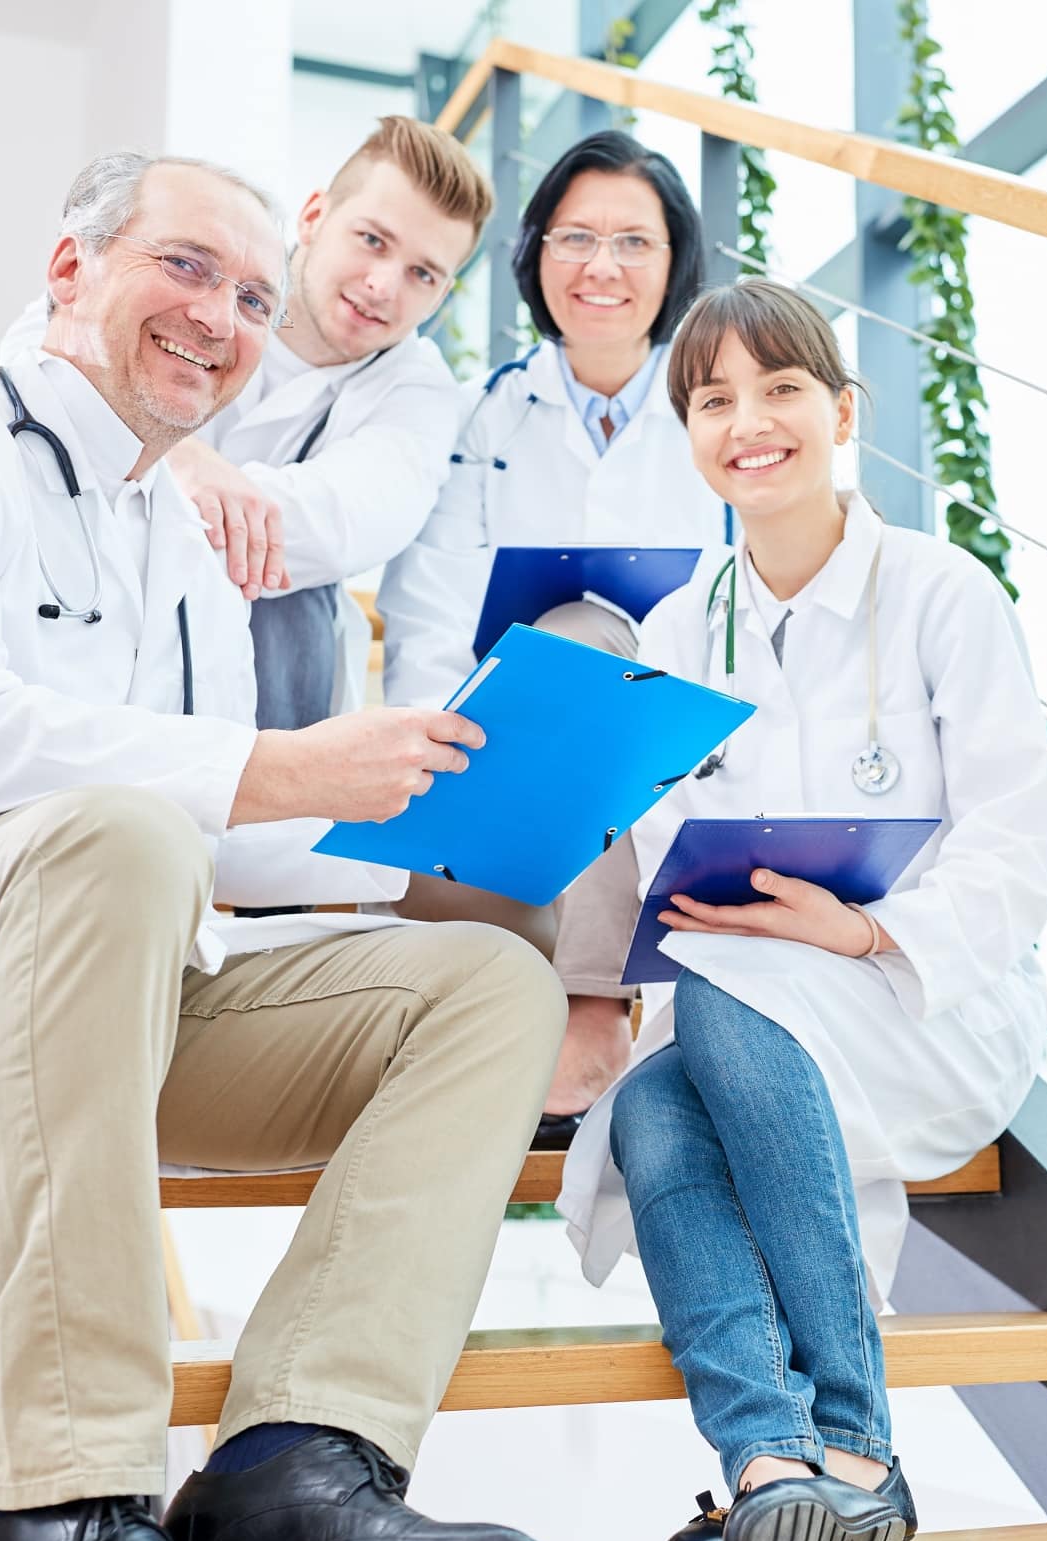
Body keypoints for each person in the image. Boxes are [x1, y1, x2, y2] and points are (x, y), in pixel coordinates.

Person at [0, 151, 565, 1541]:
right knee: (114, 834)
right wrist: (271, 760)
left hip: (130, 1000)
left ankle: (294, 1460)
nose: (225, 317)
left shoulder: (181, 547)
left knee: (484, 981)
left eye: (252, 296)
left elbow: (235, 847)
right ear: (67, 272)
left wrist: (437, 849)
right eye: (185, 267)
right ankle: (54, 1497)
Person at [553, 279, 1047, 1541]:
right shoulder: (676, 637)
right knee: (654, 1096)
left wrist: (864, 925)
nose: (749, 421)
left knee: (719, 1020)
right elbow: (667, 856)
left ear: (841, 412)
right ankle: (780, 1461)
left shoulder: (944, 593)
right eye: (712, 399)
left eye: (780, 388)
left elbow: (1021, 837)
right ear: (689, 435)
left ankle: (846, 1434)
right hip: (749, 1010)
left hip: (926, 1000)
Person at [384, 128, 728, 1065]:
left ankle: (586, 1006)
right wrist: (430, 731)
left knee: (588, 639)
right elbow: (430, 600)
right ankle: (573, 1008)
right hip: (497, 738)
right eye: (574, 238)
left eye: (632, 241)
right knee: (563, 646)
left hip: (669, 746)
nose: (601, 266)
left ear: (674, 263)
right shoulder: (487, 412)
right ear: (537, 256)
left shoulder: (721, 418)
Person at [0, 117, 488, 735]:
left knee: (277, 583)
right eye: (371, 239)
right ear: (314, 216)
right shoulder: (211, 269)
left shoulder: (419, 388)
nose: (383, 285)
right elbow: (41, 354)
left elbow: (344, 528)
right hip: (89, 581)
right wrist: (180, 459)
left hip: (275, 654)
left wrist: (152, 462)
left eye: (424, 274)